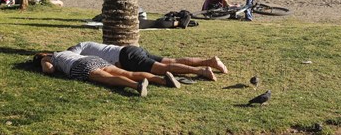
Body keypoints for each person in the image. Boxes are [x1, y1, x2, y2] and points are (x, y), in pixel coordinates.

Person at [33, 51, 172, 97]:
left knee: (108, 79)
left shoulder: (49, 57)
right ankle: (162, 80)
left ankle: (137, 85)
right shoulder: (65, 52)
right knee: (128, 72)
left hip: (80, 66)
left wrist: (43, 63)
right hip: (92, 58)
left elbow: (49, 70)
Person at [67, 41, 228, 81]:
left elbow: (73, 58)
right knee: (170, 60)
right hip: (130, 50)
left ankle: (202, 71)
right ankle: (210, 61)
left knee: (161, 68)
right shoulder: (86, 45)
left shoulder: (79, 48)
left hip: (126, 56)